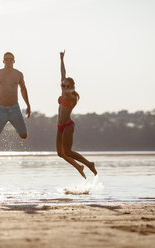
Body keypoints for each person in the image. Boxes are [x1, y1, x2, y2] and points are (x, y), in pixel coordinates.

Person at [56, 50, 97, 179]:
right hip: (59, 127)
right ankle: (79, 167)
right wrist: (62, 59)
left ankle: (88, 163)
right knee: (60, 153)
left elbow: (68, 89)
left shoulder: (73, 96)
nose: (65, 86)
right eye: (64, 84)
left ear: (72, 86)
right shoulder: (64, 91)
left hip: (68, 126)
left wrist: (68, 89)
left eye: (68, 85)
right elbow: (63, 73)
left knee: (67, 151)